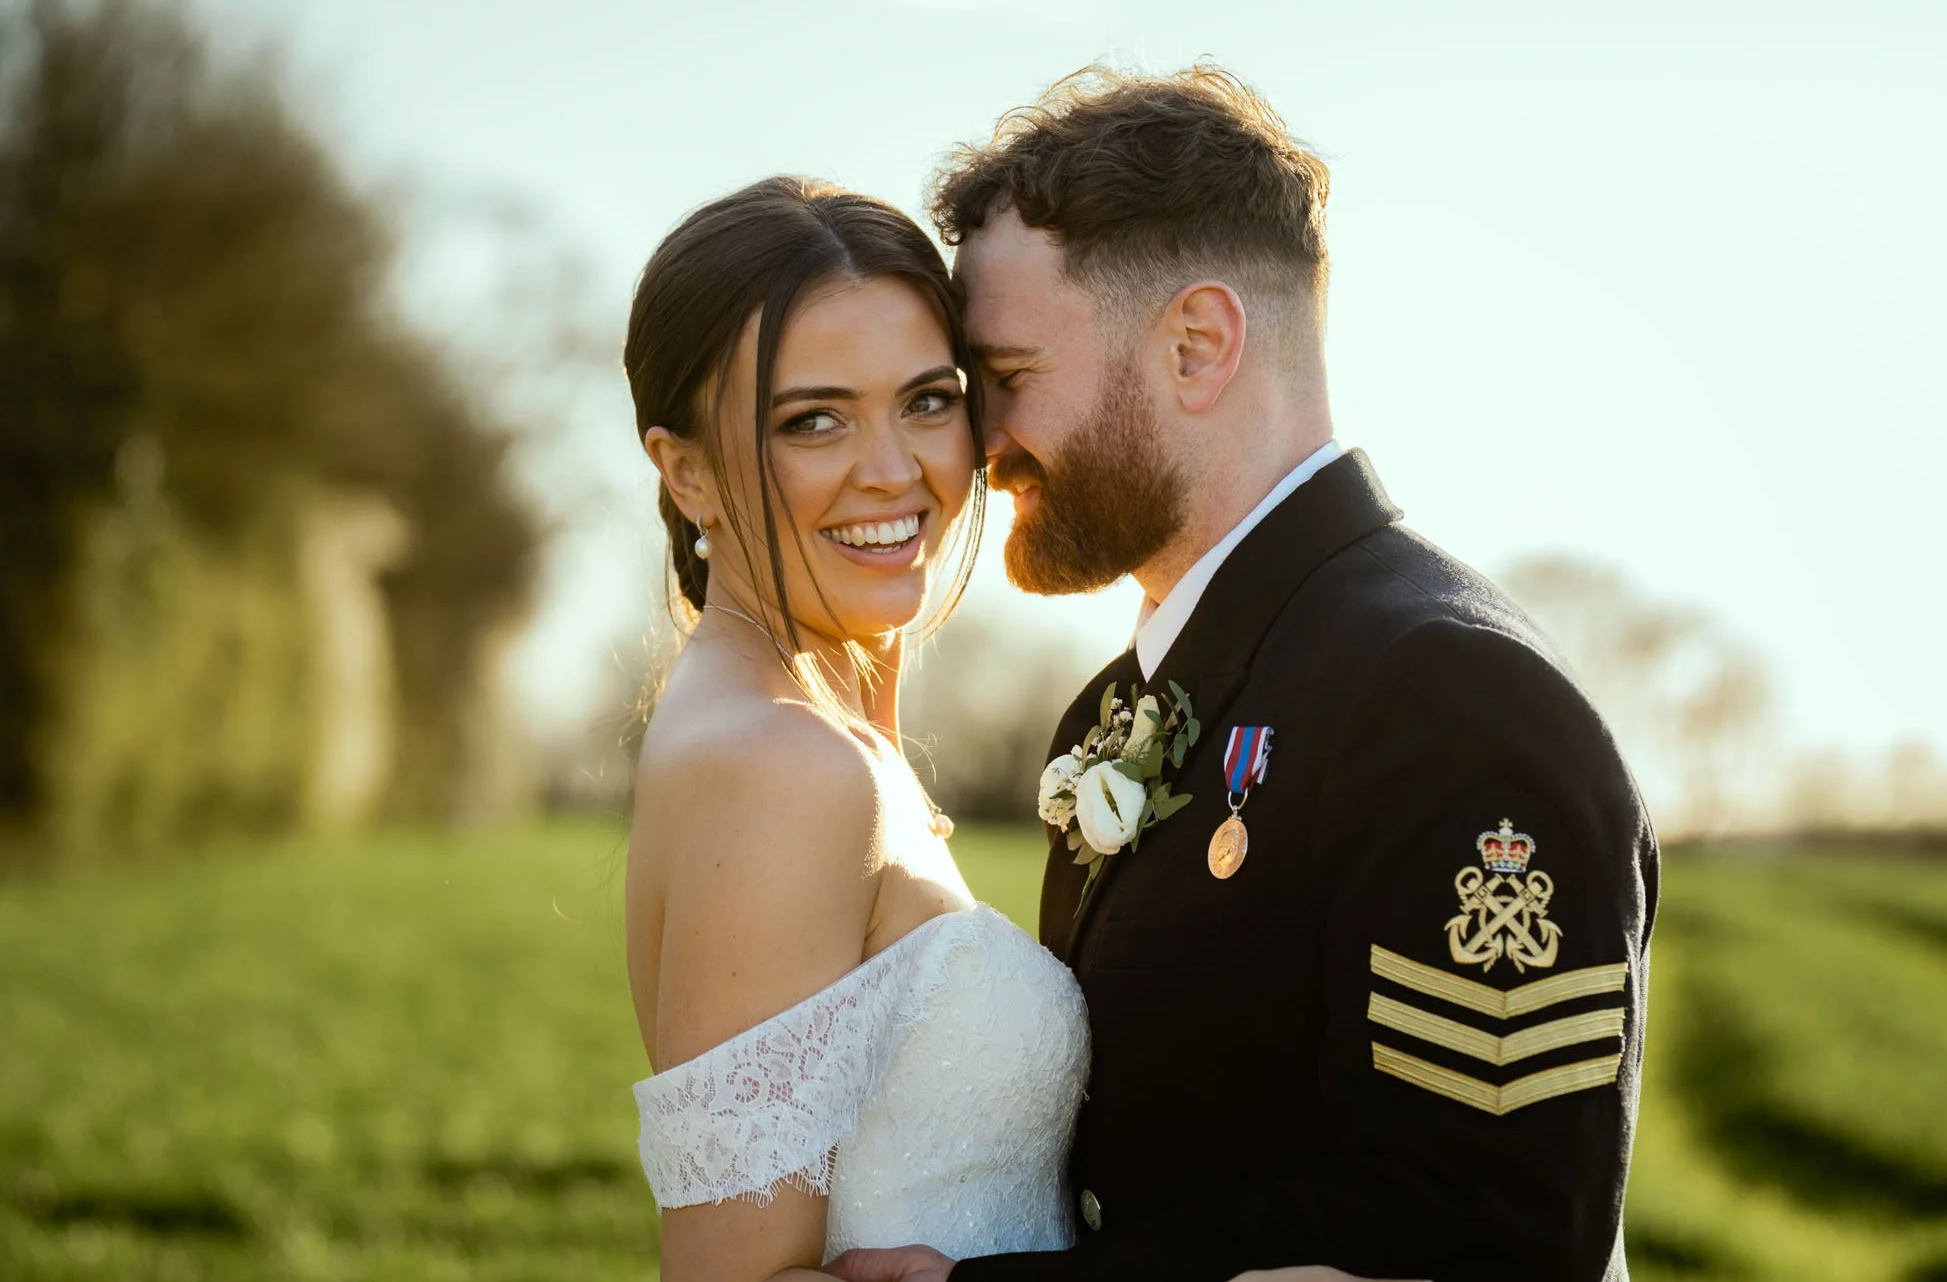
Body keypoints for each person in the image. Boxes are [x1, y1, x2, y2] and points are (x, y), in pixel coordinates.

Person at [827, 66, 1658, 1282]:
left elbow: (1472, 1239)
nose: (980, 445)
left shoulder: (1452, 703)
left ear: (1199, 344)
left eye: (1007, 378)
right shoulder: (1119, 704)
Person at [621, 176, 1343, 1282]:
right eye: (813, 418)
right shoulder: (777, 764)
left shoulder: (794, 720)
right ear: (686, 473)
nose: (893, 469)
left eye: (925, 399)